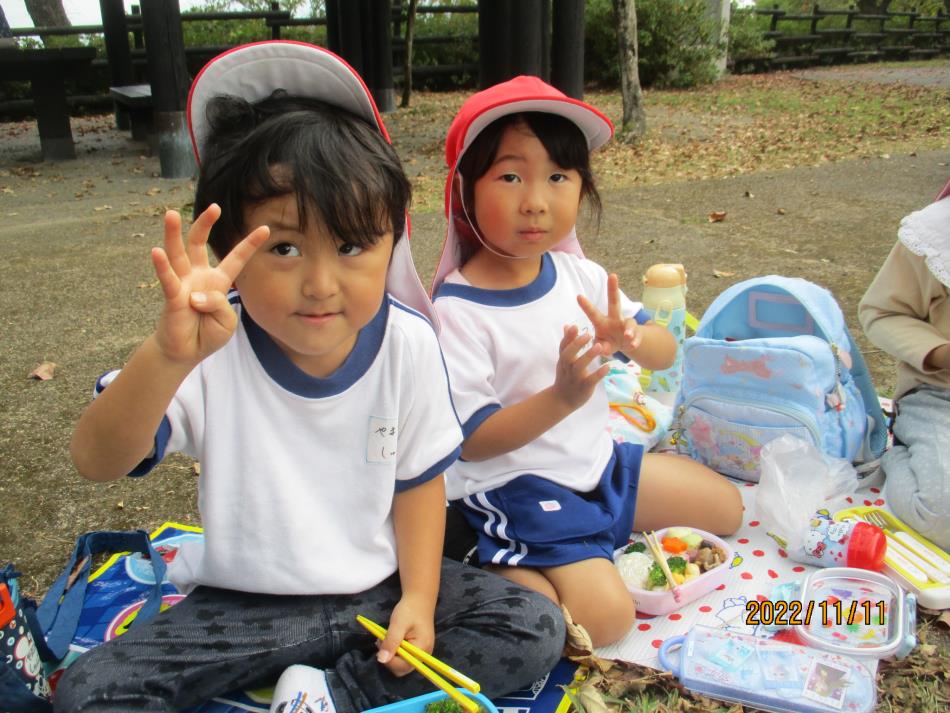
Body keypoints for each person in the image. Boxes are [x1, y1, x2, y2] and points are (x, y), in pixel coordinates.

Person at [55, 43, 565, 713]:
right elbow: (96, 459)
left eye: (352, 245)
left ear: (394, 238)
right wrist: (166, 354)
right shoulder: (209, 346)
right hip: (243, 607)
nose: (321, 284)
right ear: (228, 247)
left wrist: (417, 595)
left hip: (378, 590)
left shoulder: (407, 342)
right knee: (91, 691)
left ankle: (332, 693)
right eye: (285, 247)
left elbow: (417, 483)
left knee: (531, 623)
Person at [430, 76, 743, 648]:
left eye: (558, 176)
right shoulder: (458, 309)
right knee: (606, 620)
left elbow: (666, 349)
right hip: (515, 487)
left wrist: (631, 338)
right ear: (465, 191)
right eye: (509, 176)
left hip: (596, 464)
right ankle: (493, 560)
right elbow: (472, 442)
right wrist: (562, 398)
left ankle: (577, 547)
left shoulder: (581, 276)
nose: (536, 200)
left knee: (726, 508)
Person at [859, 178, 950, 550]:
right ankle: (901, 458)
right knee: (938, 513)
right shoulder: (936, 235)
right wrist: (940, 353)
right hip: (939, 396)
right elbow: (881, 313)